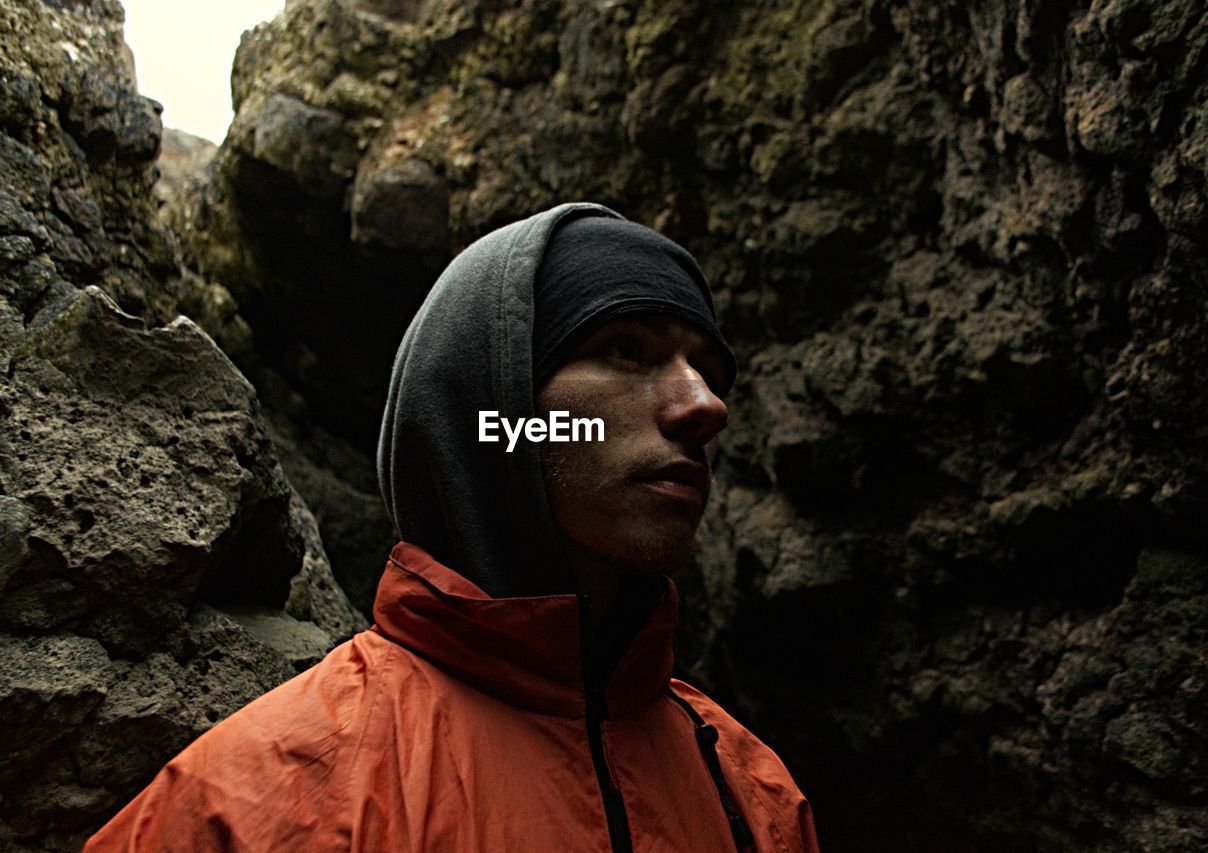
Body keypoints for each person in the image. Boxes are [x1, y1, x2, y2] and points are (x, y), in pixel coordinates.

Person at [85, 202, 819, 852]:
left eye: (709, 369)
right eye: (625, 348)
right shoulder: (254, 803)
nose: (706, 404)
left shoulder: (752, 793)